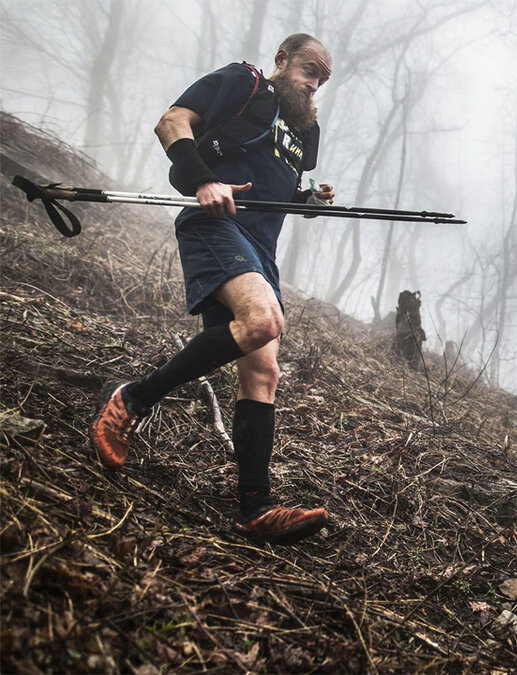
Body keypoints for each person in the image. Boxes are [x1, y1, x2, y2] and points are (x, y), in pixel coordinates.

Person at [90, 33, 335, 545]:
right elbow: (172, 122)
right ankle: (133, 399)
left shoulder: (301, 132)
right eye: (309, 70)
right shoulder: (243, 83)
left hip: (259, 251)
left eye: (322, 80)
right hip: (216, 227)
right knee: (264, 321)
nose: (313, 84)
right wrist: (205, 180)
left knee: (263, 372)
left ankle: (254, 507)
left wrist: (309, 197)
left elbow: (277, 189)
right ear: (282, 59)